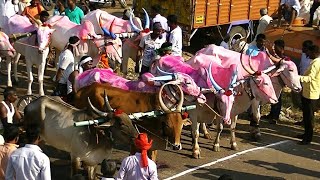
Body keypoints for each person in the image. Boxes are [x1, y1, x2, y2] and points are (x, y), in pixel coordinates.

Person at [262, 39, 291, 124]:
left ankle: (275, 116)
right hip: (272, 81)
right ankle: (272, 114)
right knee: (273, 97)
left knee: (277, 98)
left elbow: (279, 62)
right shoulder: (276, 56)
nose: (274, 48)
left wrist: (269, 54)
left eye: (276, 47)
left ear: (281, 48)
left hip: (279, 81)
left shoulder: (285, 59)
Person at [298, 45, 320, 145]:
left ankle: (308, 138)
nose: (308, 54)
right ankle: (306, 134)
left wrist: (298, 78)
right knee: (306, 115)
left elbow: (310, 78)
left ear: (314, 53)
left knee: (309, 117)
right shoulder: (315, 62)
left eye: (309, 52)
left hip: (311, 93)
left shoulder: (316, 63)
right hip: (308, 91)